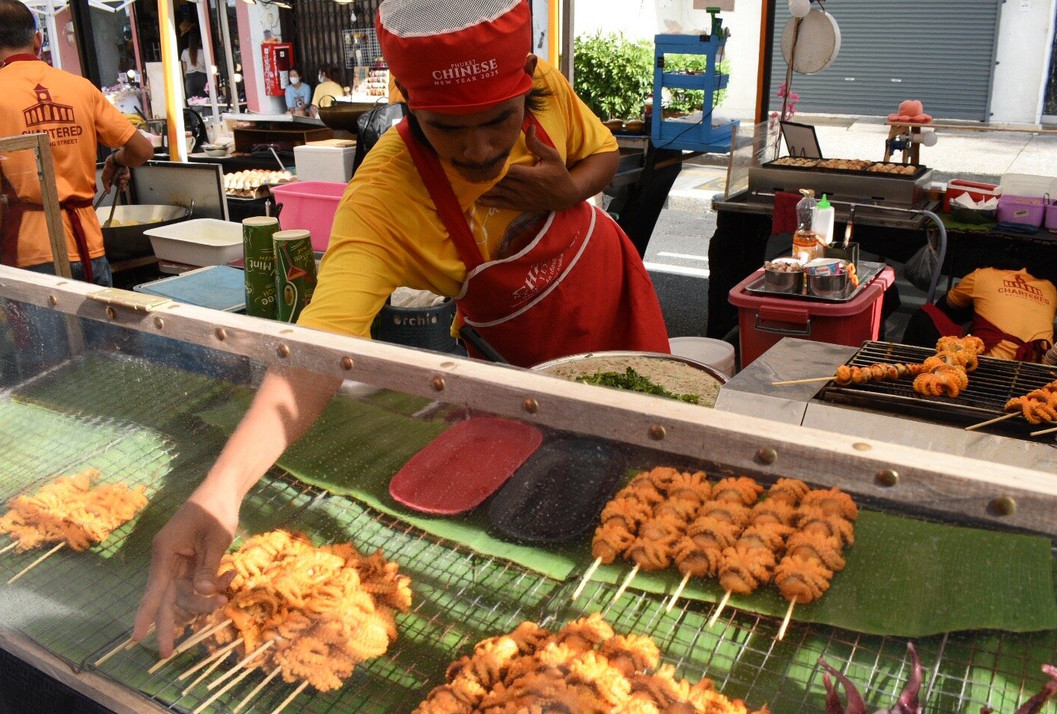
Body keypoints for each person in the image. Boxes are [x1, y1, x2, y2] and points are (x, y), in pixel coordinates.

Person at [133, 0, 669, 656]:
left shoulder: (548, 87)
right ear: (409, 106)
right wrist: (221, 491)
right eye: (447, 129)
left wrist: (565, 192)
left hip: (613, 305)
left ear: (527, 88)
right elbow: (317, 354)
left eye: (498, 120)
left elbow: (605, 158)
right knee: (547, 512)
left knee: (651, 482)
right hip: (513, 364)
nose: (477, 148)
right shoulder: (384, 200)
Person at [0, 0, 154, 286]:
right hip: (87, 246)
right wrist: (117, 160)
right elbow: (142, 150)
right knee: (96, 331)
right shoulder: (79, 87)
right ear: (38, 40)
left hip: (28, 250)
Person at [901, 265, 1057, 362]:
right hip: (1038, 367)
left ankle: (906, 369)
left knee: (925, 314)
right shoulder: (1049, 288)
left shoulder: (982, 275)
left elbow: (946, 307)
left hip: (990, 365)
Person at [180, 28, 207, 100]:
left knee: (192, 102)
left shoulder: (185, 52)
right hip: (203, 77)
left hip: (190, 79)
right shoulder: (204, 52)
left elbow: (184, 70)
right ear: (200, 41)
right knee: (204, 101)